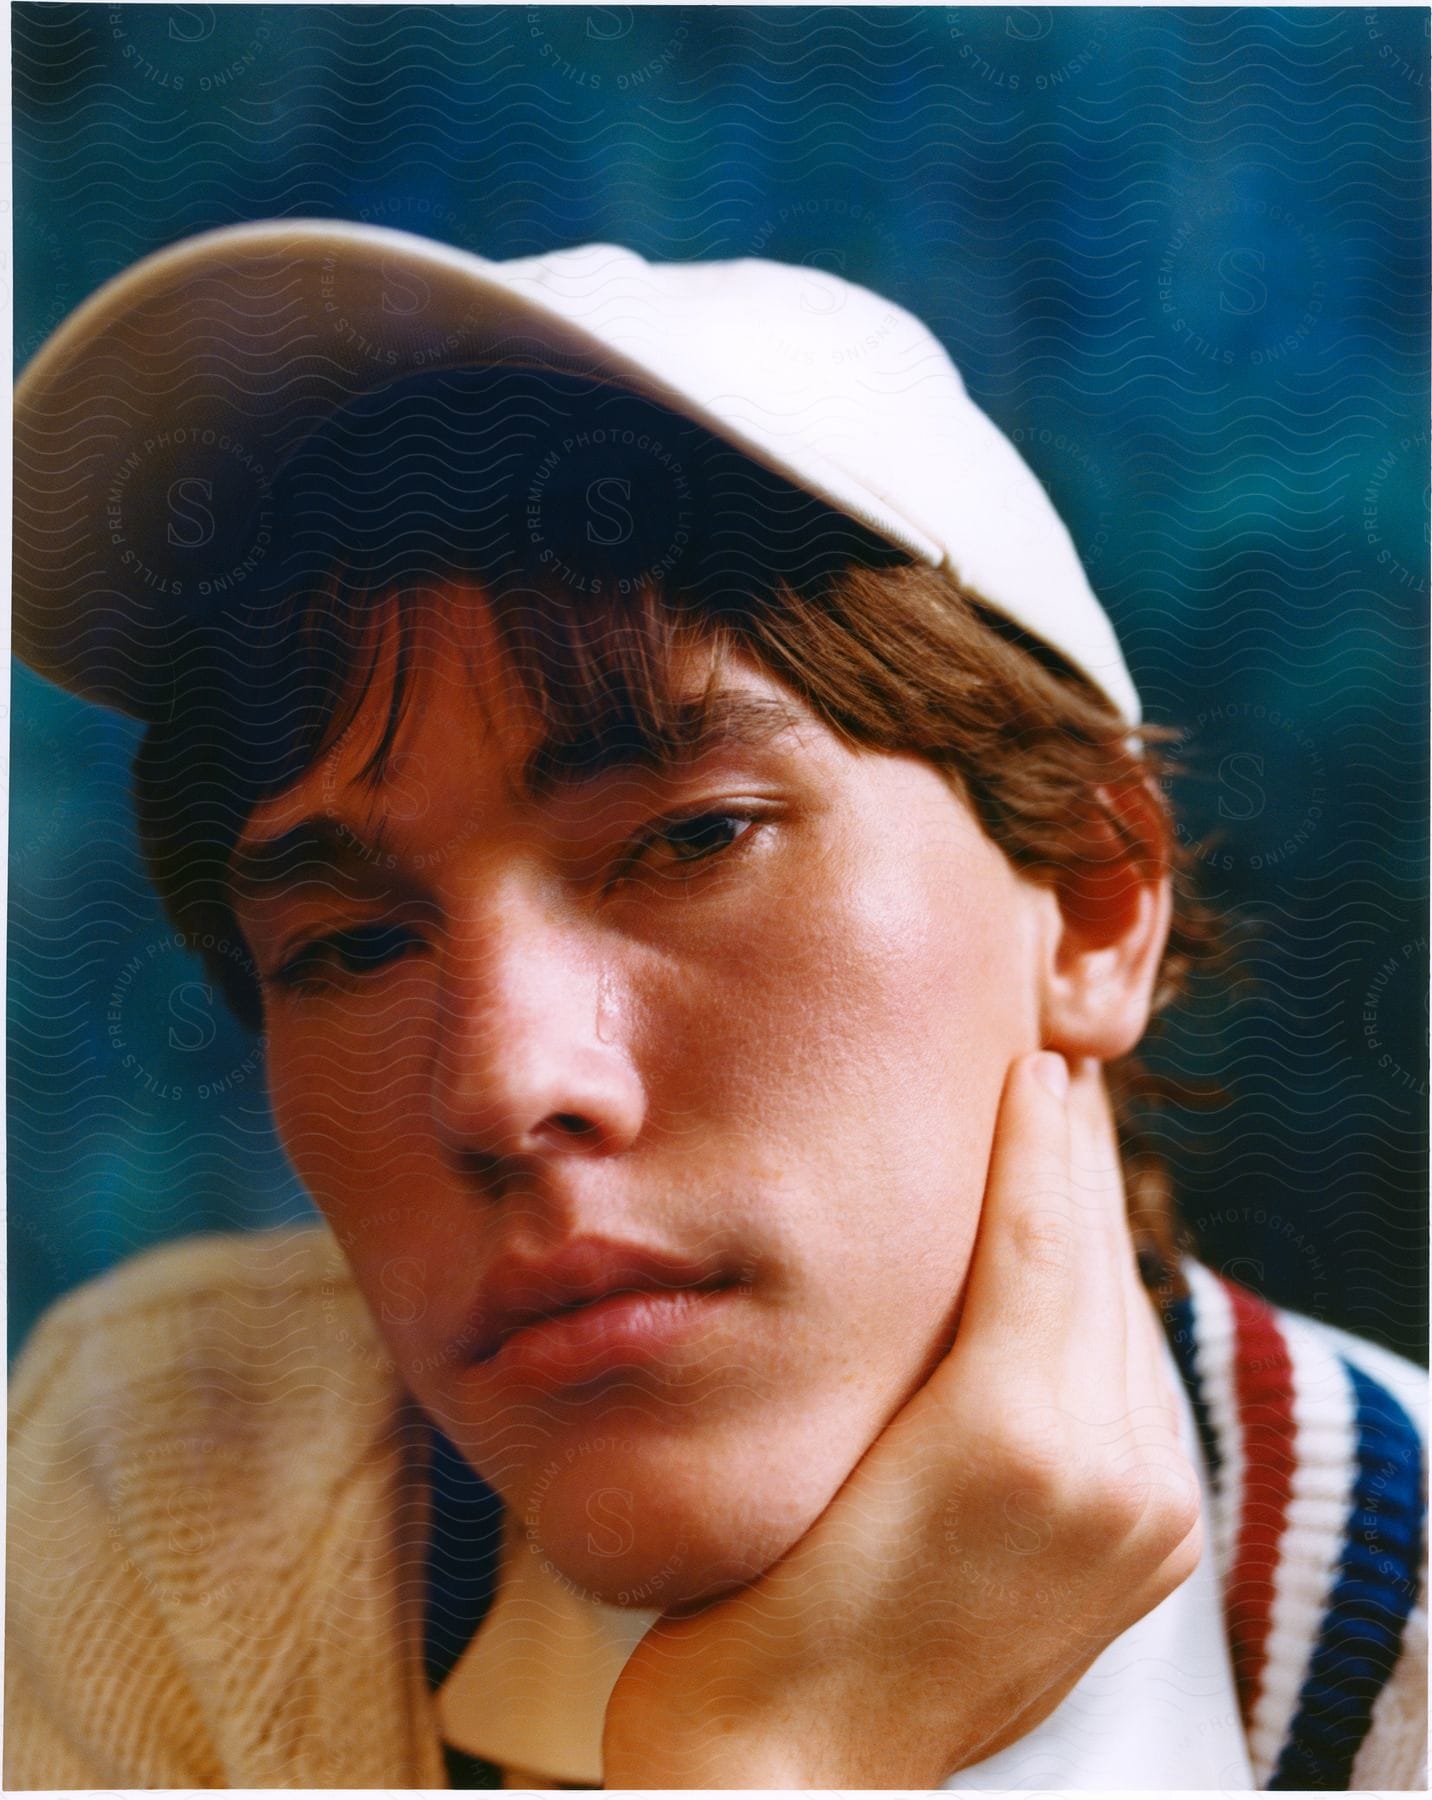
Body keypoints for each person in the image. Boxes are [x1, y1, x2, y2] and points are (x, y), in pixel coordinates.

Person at [8, 221, 1426, 1791]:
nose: (504, 1084)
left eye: (690, 840)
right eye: (348, 947)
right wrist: (769, 1755)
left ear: (1092, 902)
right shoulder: (169, 1476)